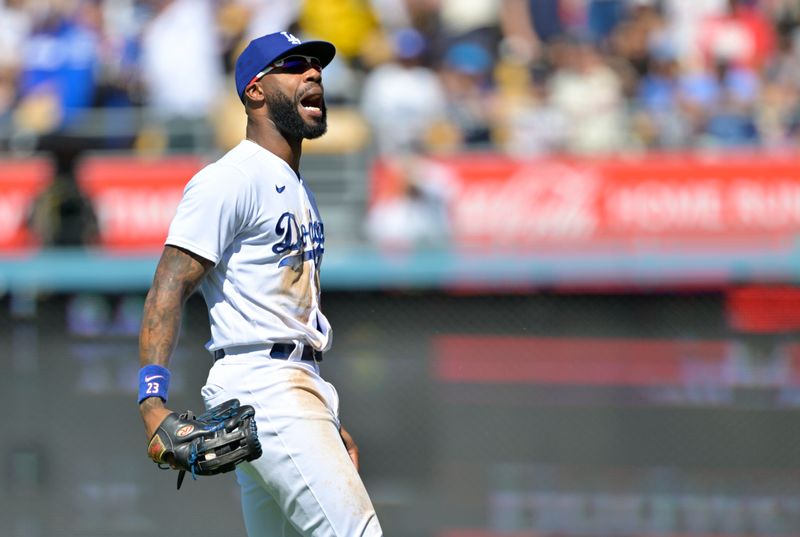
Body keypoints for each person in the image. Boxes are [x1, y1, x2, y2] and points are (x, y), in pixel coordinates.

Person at [137, 31, 383, 537]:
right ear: (255, 90)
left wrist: (326, 414)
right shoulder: (231, 177)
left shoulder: (297, 186)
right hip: (266, 387)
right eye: (293, 65)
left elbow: (291, 320)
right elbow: (168, 284)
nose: (313, 72)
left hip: (294, 385)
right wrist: (153, 403)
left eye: (316, 65)